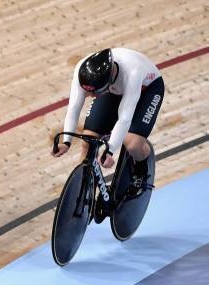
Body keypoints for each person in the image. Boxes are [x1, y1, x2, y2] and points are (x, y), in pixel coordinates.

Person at [54, 48, 165, 211]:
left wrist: (110, 150)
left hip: (147, 90)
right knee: (87, 142)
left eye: (94, 93)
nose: (91, 97)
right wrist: (66, 142)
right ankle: (84, 189)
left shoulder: (132, 73)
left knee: (132, 144)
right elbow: (73, 108)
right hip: (114, 91)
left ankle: (141, 169)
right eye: (89, 92)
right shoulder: (84, 70)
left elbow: (125, 118)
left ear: (108, 83)